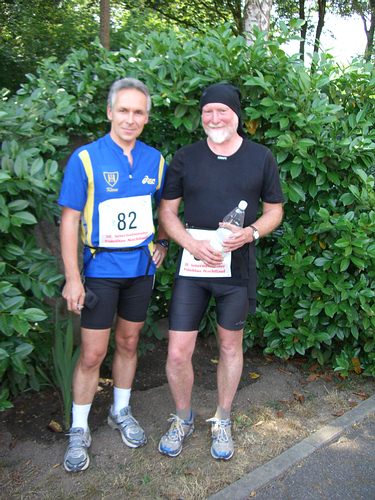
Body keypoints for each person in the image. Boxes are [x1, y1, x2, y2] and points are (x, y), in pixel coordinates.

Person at [158, 82, 284, 461]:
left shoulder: (261, 157)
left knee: (230, 346)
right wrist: (190, 244)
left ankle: (223, 419)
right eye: (208, 112)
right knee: (179, 352)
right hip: (193, 268)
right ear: (202, 117)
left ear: (236, 115)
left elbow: (274, 210)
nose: (215, 118)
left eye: (222, 111)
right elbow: (166, 211)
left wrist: (251, 233)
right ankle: (183, 418)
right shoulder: (186, 157)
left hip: (236, 271)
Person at [58, 77, 169, 472]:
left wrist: (164, 245)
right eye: (123, 110)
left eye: (138, 112)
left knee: (129, 341)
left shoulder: (156, 160)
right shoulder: (86, 158)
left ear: (146, 117)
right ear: (109, 112)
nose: (130, 118)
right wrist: (73, 277)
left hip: (139, 270)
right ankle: (78, 428)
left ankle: (120, 411)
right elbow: (69, 220)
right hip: (100, 270)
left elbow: (165, 213)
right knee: (92, 353)